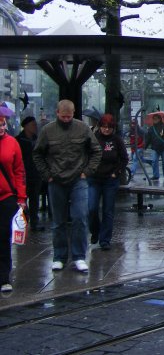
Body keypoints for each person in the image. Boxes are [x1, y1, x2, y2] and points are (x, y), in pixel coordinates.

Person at [33, 100, 101, 273]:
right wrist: (47, 175)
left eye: (68, 117)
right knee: (58, 221)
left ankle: (79, 256)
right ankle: (59, 256)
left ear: (73, 114)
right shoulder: (48, 130)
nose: (65, 120)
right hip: (56, 179)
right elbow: (37, 154)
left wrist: (87, 172)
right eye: (63, 117)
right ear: (57, 113)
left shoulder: (82, 128)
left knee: (80, 217)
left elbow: (96, 150)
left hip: (78, 178)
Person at [88, 114, 128, 250]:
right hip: (94, 178)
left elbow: (124, 158)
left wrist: (116, 172)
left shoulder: (117, 140)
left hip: (110, 180)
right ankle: (95, 231)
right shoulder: (93, 138)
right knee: (91, 208)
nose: (106, 130)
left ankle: (105, 239)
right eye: (104, 127)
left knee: (108, 210)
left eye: (109, 127)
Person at [0, 114, 27, 292]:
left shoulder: (12, 143)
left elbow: (19, 171)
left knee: (3, 238)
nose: (1, 128)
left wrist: (21, 197)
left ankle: (3, 277)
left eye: (2, 124)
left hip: (6, 197)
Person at [15, 116, 44, 231]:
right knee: (23, 199)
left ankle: (34, 222)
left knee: (35, 198)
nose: (35, 127)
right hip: (23, 175)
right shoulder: (18, 140)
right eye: (33, 125)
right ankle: (23, 221)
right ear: (26, 126)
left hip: (35, 174)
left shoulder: (37, 139)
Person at [144, 114, 164, 184]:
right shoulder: (151, 128)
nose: (154, 120)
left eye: (156, 119)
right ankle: (156, 175)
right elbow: (148, 138)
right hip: (155, 147)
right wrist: (144, 147)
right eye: (154, 119)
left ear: (159, 119)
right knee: (154, 161)